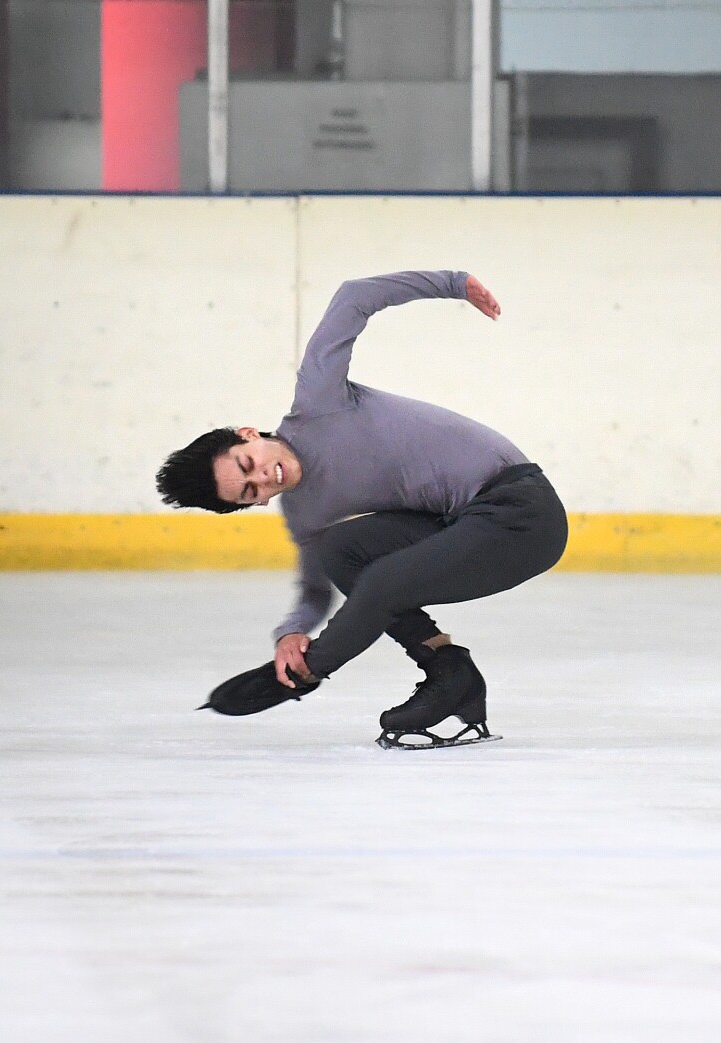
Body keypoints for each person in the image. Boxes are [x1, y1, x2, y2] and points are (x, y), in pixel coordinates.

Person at [155, 271, 568, 748]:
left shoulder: (318, 401)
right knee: (341, 550)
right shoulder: (303, 512)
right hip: (461, 523)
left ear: (250, 434)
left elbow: (356, 297)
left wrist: (455, 284)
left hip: (523, 515)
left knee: (383, 581)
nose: (263, 479)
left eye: (249, 464)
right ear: (258, 504)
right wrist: (290, 634)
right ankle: (448, 670)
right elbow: (314, 591)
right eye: (249, 492)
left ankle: (305, 675)